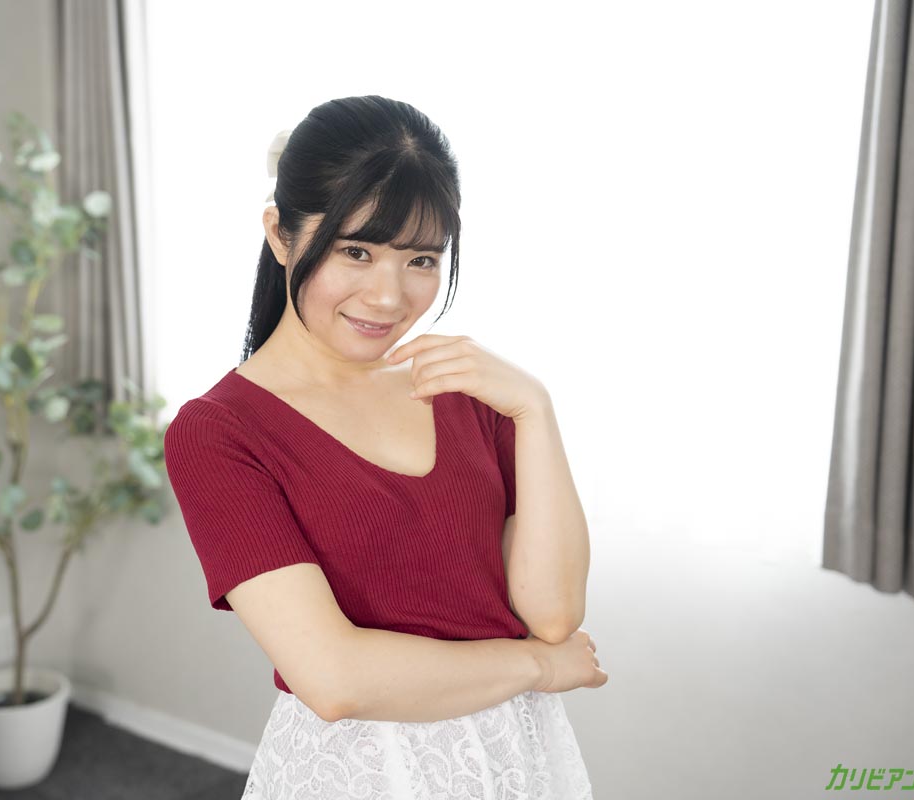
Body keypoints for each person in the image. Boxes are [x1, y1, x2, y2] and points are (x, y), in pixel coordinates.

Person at [163, 95, 605, 799]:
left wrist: (535, 409)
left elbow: (552, 614)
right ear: (280, 234)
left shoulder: (466, 389)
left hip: (515, 754)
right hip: (362, 770)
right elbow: (334, 677)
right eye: (356, 251)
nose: (388, 297)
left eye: (420, 259)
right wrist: (540, 668)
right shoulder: (219, 433)